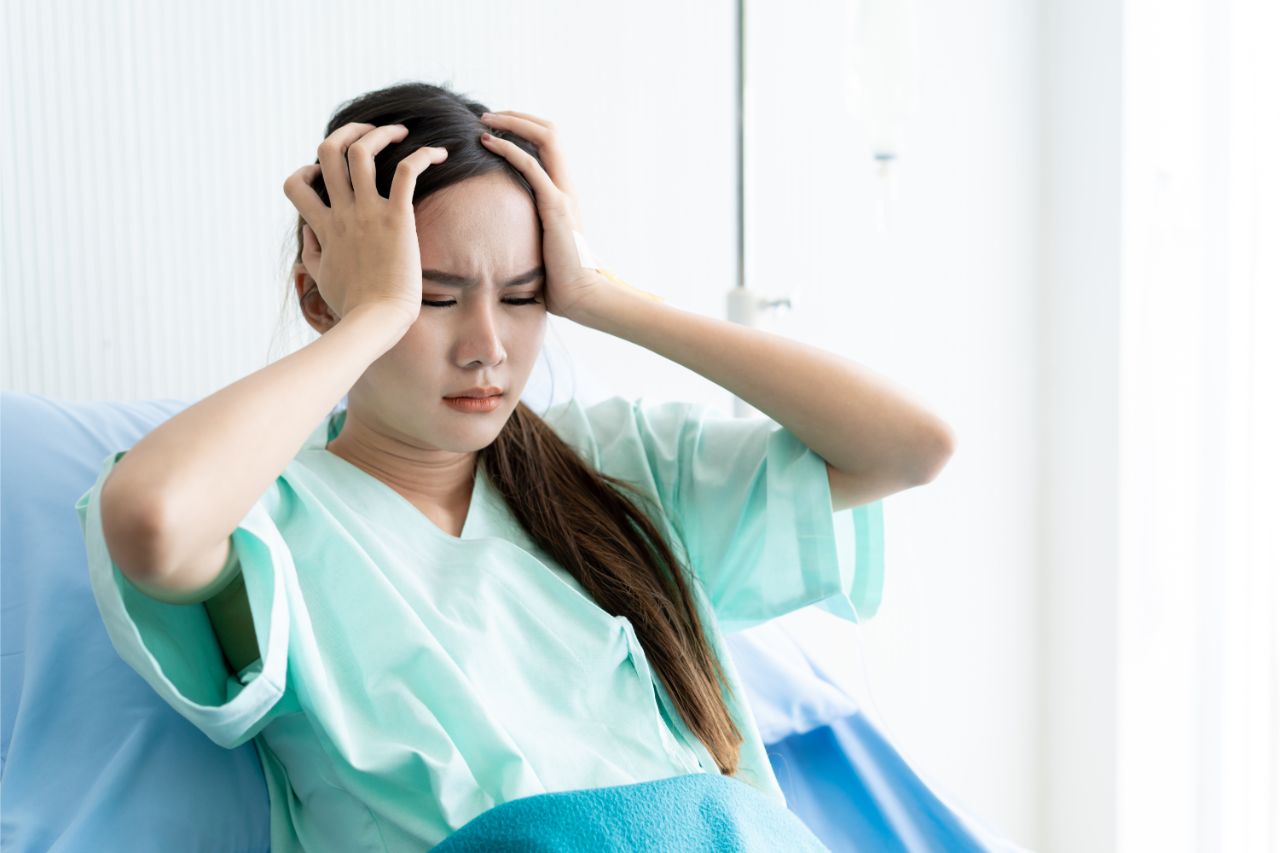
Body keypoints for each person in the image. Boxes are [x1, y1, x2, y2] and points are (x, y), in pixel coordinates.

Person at [76, 81, 946, 851]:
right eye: (436, 299)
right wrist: (372, 313)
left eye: (526, 298)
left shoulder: (614, 466)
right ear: (319, 297)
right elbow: (152, 520)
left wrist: (604, 293)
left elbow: (912, 445)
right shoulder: (275, 517)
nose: (488, 347)